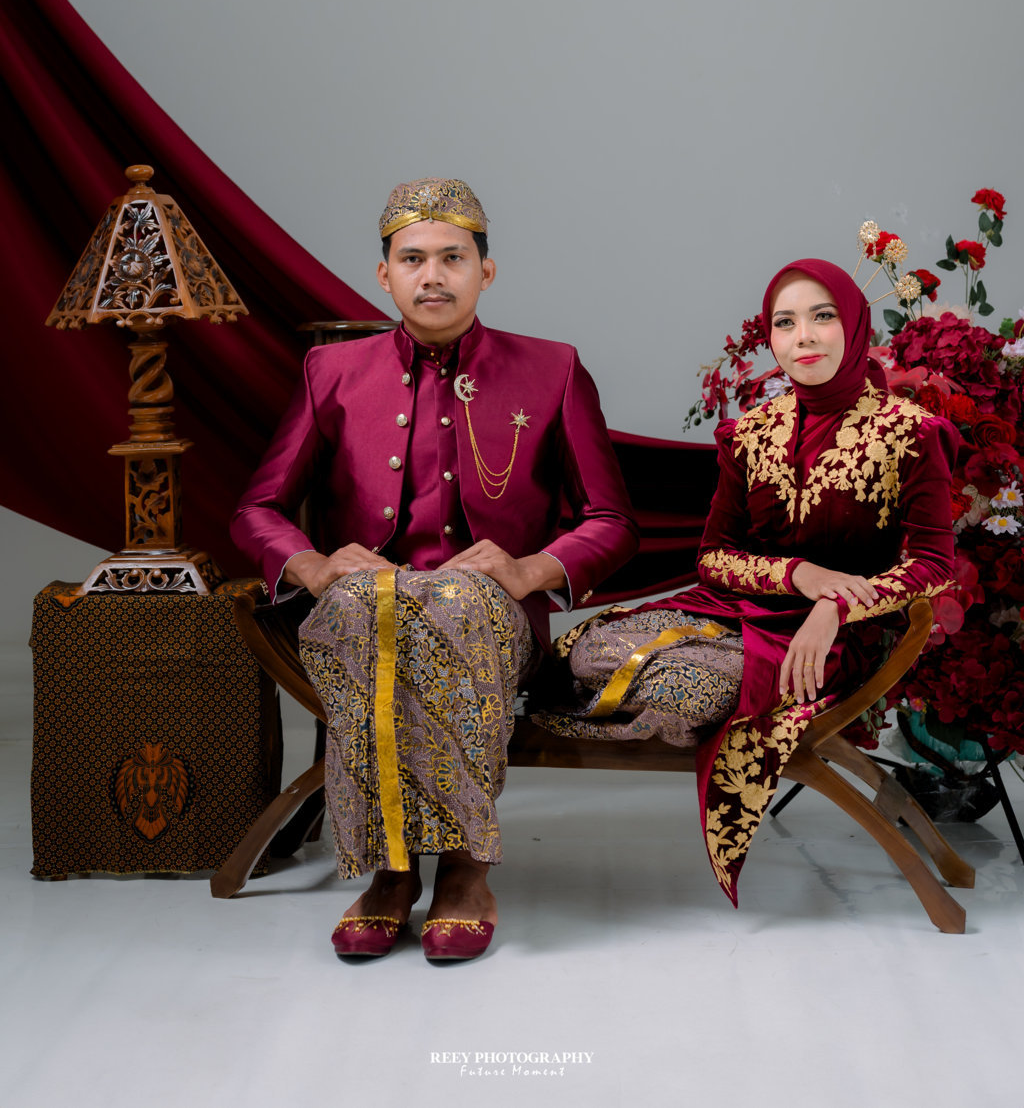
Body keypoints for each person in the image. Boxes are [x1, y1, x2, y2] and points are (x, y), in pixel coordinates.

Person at [232, 177, 637, 959]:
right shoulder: (332, 372)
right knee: (360, 609)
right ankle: (389, 872)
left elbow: (613, 523)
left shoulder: (551, 369)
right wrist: (311, 566)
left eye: (453, 258)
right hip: (368, 608)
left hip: (492, 617)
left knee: (455, 607)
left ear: (487, 271)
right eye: (412, 259)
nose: (433, 276)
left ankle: (463, 868)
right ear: (384, 275)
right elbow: (257, 508)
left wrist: (528, 571)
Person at [534, 257, 958, 905]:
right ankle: (652, 688)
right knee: (586, 651)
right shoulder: (752, 433)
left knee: (679, 690)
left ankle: (663, 695)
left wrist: (837, 605)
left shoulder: (911, 433)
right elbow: (714, 557)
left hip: (829, 639)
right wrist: (799, 574)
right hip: (731, 609)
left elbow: (933, 563)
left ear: (855, 326)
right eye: (785, 323)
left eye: (823, 317)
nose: (803, 337)